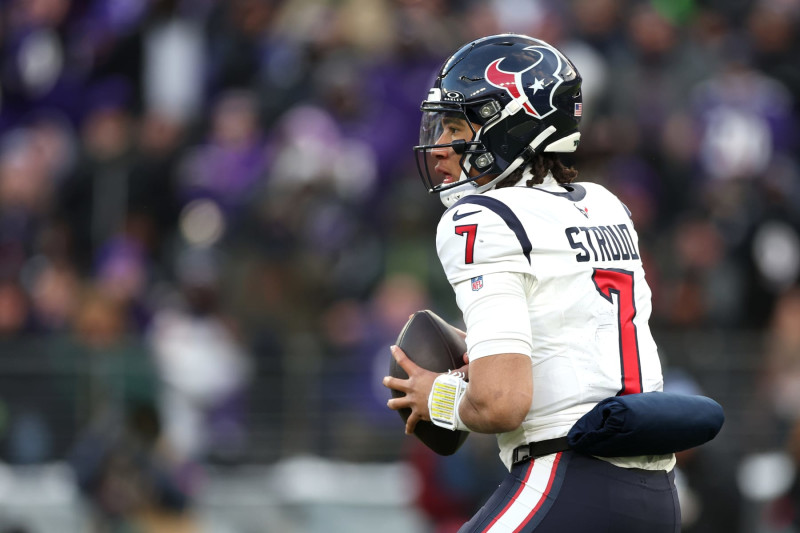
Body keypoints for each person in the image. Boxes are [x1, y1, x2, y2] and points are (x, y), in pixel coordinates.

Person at [382, 33, 680, 532]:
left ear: (513, 127)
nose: (438, 149)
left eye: (456, 126)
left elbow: (502, 403)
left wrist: (432, 393)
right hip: (654, 495)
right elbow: (567, 331)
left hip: (566, 477)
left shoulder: (480, 217)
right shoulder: (605, 204)